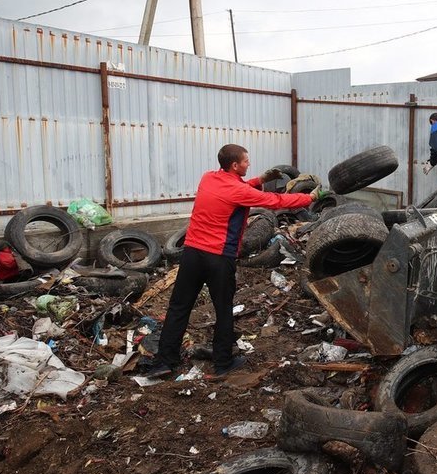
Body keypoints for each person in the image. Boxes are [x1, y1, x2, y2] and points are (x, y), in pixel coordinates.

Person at [140, 144, 327, 381]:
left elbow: (235, 189)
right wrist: (308, 197)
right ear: (235, 165)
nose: (249, 164)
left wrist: (259, 179)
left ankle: (164, 363)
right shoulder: (240, 192)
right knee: (223, 310)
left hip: (192, 253)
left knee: (179, 307)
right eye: (246, 161)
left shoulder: (208, 178)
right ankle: (223, 363)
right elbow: (274, 200)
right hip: (218, 258)